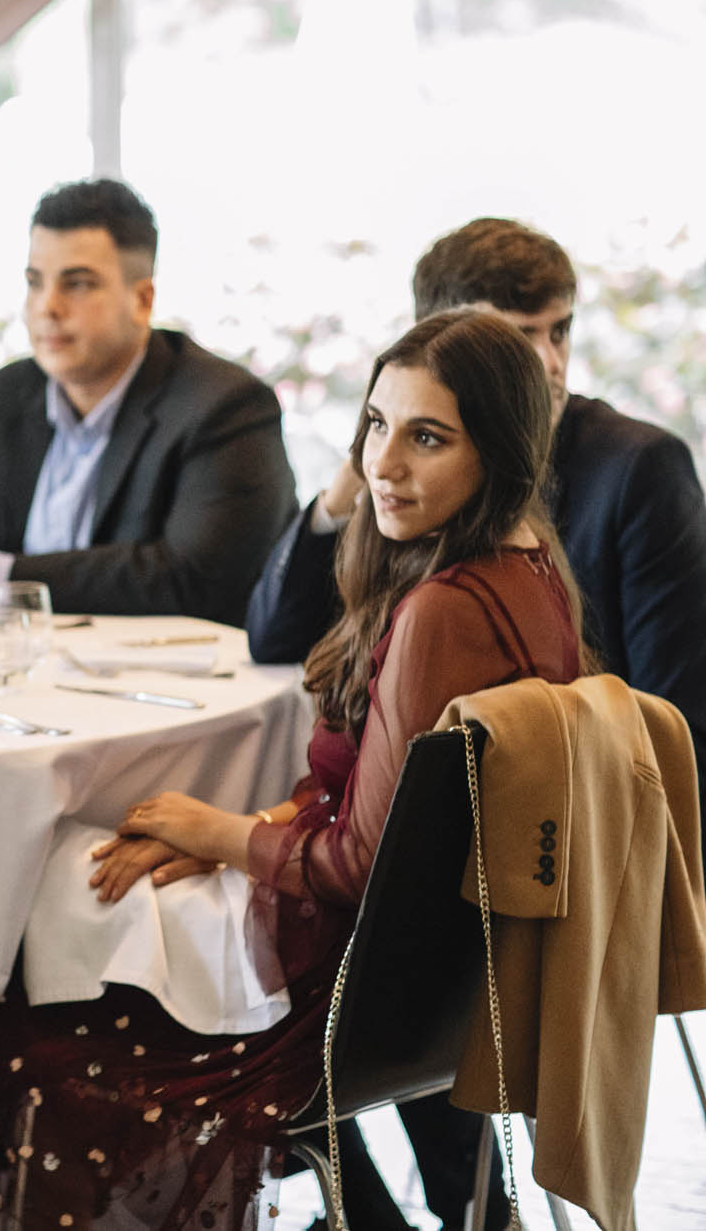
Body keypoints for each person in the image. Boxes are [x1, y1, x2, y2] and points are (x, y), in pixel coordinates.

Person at [0, 308, 586, 1230]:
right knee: (106, 909)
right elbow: (379, 822)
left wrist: (215, 830)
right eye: (376, 425)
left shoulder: (440, 614)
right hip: (463, 973)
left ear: (495, 451)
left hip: (368, 999)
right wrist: (249, 842)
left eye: (428, 437)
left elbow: (359, 866)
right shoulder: (534, 568)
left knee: (28, 1031)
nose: (383, 464)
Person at [244, 218, 706, 1230]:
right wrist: (365, 474)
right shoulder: (403, 481)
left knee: (208, 966)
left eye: (558, 332)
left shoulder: (632, 469)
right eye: (512, 336)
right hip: (444, 865)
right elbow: (275, 630)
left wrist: (550, 749)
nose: (539, 362)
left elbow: (675, 712)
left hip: (550, 869)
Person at [0, 177, 296, 625]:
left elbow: (194, 579)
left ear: (142, 300)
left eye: (78, 284)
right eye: (35, 282)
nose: (47, 307)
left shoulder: (224, 406)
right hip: (7, 673)